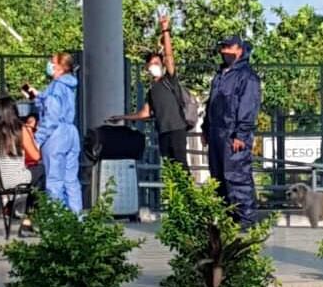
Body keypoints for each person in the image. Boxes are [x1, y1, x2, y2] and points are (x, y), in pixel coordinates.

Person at [109, 16, 188, 168]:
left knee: (182, 166)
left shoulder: (169, 79)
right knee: (170, 169)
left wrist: (165, 30)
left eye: (157, 63)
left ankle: (187, 192)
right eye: (151, 64)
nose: (154, 66)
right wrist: (122, 117)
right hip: (163, 131)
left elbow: (169, 57)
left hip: (177, 129)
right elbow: (144, 113)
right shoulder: (152, 89)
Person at [201, 35, 261, 230]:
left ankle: (245, 221)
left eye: (229, 47)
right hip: (217, 134)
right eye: (223, 47)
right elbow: (211, 103)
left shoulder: (247, 76)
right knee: (218, 177)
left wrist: (241, 135)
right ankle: (227, 219)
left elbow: (248, 107)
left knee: (236, 177)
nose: (224, 51)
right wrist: (205, 128)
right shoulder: (220, 75)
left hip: (233, 136)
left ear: (239, 49)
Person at [27, 53, 83, 214]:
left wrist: (37, 140)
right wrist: (37, 97)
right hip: (71, 132)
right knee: (71, 180)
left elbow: (51, 115)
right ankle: (76, 218)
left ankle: (57, 221)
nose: (50, 65)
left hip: (56, 135)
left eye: (52, 62)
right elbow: (53, 105)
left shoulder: (56, 86)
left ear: (60, 66)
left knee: (54, 180)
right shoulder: (69, 85)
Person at [0, 97, 42, 231]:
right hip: (14, 181)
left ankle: (13, 206)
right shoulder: (21, 130)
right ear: (14, 110)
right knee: (43, 172)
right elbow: (36, 156)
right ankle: (28, 218)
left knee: (32, 176)